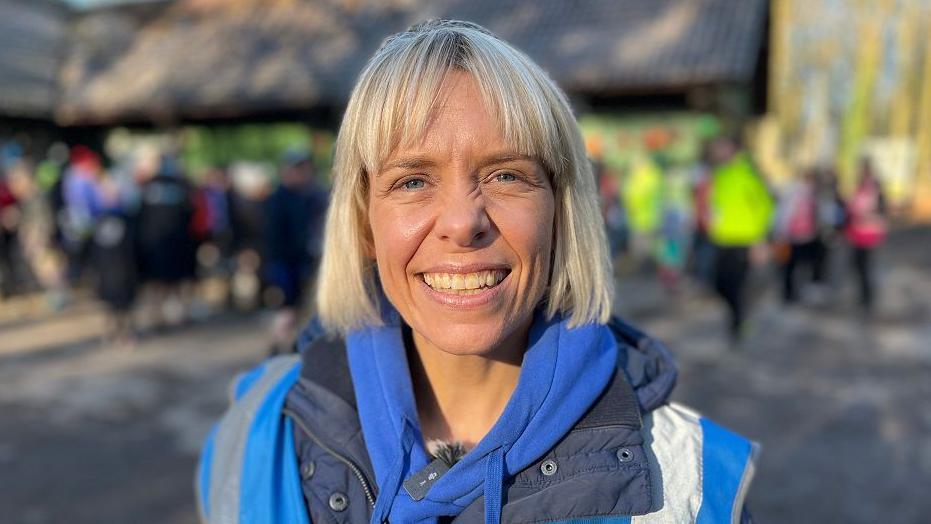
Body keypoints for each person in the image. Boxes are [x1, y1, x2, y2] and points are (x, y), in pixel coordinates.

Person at [197, 20, 756, 524]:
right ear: (365, 224)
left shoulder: (694, 487)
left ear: (560, 213)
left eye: (507, 175)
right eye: (412, 181)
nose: (464, 223)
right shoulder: (256, 443)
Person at [707, 136, 774, 343]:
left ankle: (738, 324)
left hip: (744, 240)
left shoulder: (749, 173)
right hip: (722, 239)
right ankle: (738, 317)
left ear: (732, 149)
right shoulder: (720, 174)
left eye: (721, 148)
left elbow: (765, 206)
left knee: (737, 285)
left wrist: (760, 239)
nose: (717, 152)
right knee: (718, 283)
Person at [844, 158, 886, 311]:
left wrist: (863, 214)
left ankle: (867, 297)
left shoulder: (873, 189)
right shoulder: (861, 188)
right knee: (857, 265)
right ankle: (864, 296)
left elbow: (878, 210)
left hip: (868, 233)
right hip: (858, 232)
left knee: (863, 265)